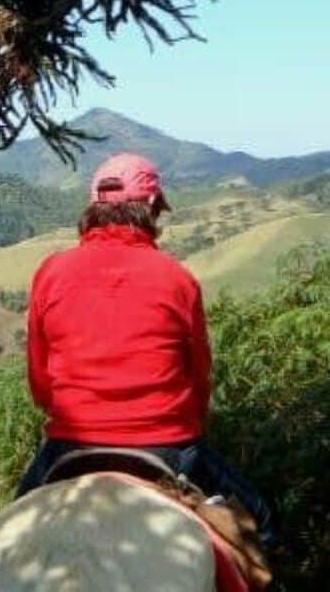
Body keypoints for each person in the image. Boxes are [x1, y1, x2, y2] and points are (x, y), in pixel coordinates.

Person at [18, 152, 274, 547]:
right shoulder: (177, 278)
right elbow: (198, 379)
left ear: (94, 206)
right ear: (153, 207)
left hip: (69, 446)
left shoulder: (51, 273)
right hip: (169, 449)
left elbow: (40, 384)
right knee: (263, 521)